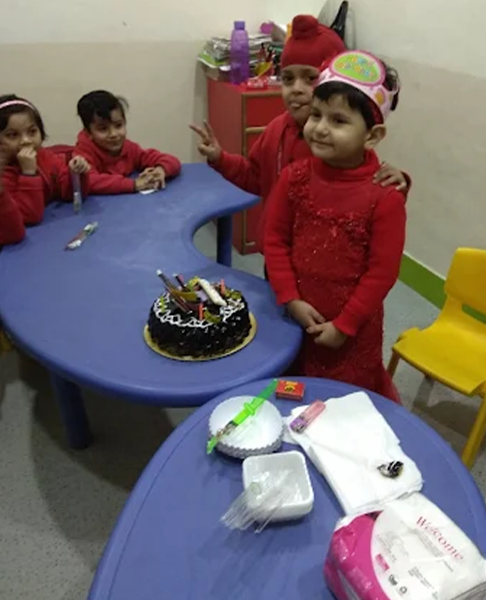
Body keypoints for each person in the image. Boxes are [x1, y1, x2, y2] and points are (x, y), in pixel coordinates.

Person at [191, 15, 408, 262]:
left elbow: (365, 194)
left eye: (310, 78)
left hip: (325, 263)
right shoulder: (275, 129)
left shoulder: (339, 146)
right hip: (277, 255)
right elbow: (255, 177)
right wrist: (220, 158)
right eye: (287, 78)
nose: (296, 88)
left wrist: (399, 182)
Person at [264, 50, 407, 401]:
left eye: (339, 120)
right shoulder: (293, 178)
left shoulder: (385, 197)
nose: (321, 128)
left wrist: (345, 325)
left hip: (351, 334)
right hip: (295, 319)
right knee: (293, 397)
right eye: (316, 115)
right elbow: (275, 240)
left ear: (372, 136)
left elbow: (382, 272)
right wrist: (290, 298)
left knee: (342, 406)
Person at [0, 95, 90, 246]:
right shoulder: (4, 174)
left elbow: (68, 193)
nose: (26, 140)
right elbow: (29, 216)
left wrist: (77, 174)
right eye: (12, 135)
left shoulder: (45, 157)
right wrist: (29, 174)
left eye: (32, 131)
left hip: (52, 232)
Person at [74, 90, 181, 195]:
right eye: (103, 129)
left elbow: (172, 161)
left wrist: (160, 171)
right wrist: (133, 184)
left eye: (118, 125)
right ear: (88, 133)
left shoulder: (130, 149)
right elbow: (89, 181)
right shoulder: (83, 154)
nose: (113, 134)